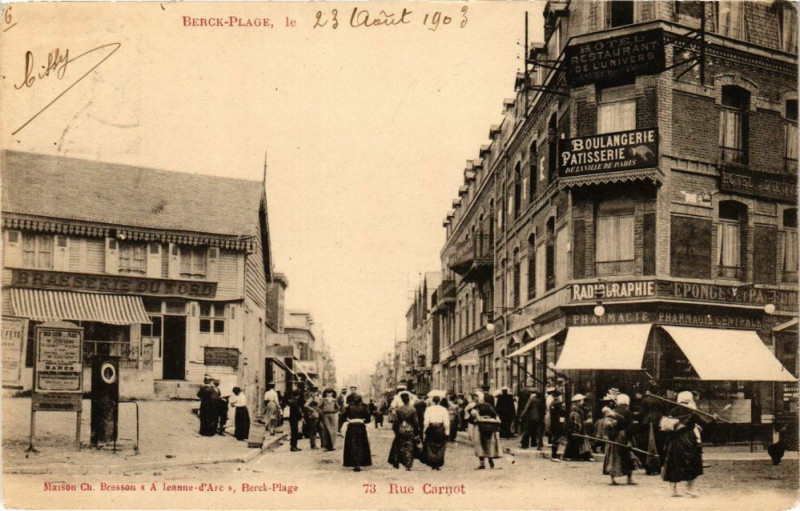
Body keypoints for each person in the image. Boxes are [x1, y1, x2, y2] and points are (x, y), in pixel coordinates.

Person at [662, 391, 717, 497]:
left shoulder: (673, 411)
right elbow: (706, 425)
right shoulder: (691, 412)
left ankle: (673, 491)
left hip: (674, 440)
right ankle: (689, 488)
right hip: (688, 441)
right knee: (692, 463)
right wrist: (713, 420)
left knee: (673, 464)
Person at [603, 393, 635, 485]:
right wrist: (630, 440)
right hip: (623, 436)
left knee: (613, 456)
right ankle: (629, 478)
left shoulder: (613, 411)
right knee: (628, 456)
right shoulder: (627, 412)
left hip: (613, 437)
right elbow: (629, 427)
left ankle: (612, 478)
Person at [469, 392, 501, 469]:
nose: (475, 399)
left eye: (476, 397)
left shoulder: (477, 407)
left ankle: (484, 463)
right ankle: (487, 461)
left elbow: (471, 420)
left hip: (480, 427)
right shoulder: (487, 406)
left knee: (481, 445)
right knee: (487, 444)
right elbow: (495, 414)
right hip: (487, 427)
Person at [388, 392, 419, 471]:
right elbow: (415, 421)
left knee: (400, 445)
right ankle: (408, 464)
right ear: (409, 400)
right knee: (410, 446)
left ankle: (400, 461)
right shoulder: (413, 409)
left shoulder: (399, 409)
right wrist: (417, 431)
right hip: (410, 428)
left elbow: (396, 421)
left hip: (401, 428)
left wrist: (395, 430)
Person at [342, 394, 372, 472]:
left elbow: (343, 417)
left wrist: (350, 420)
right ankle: (361, 462)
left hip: (351, 427)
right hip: (361, 427)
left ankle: (352, 462)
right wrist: (362, 420)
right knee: (361, 444)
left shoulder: (349, 407)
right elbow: (368, 420)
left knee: (352, 444)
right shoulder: (364, 407)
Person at [422, 395, 450, 470]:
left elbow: (426, 421)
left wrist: (424, 430)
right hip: (440, 428)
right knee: (440, 446)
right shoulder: (443, 409)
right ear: (439, 401)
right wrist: (447, 432)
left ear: (433, 401)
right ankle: (438, 463)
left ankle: (432, 463)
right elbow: (446, 422)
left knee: (431, 446)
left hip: (431, 428)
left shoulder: (428, 409)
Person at [564, 393, 593, 461]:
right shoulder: (575, 409)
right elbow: (575, 420)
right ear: (578, 401)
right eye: (582, 400)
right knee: (573, 443)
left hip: (577, 427)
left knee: (577, 443)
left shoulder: (578, 409)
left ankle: (575, 455)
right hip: (575, 428)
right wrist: (576, 428)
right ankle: (570, 455)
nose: (583, 402)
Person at [548, 390, 567, 461]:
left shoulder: (552, 403)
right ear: (559, 396)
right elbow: (563, 413)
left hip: (553, 423)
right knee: (556, 439)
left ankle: (554, 455)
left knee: (555, 438)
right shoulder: (558, 404)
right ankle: (554, 456)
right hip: (558, 424)